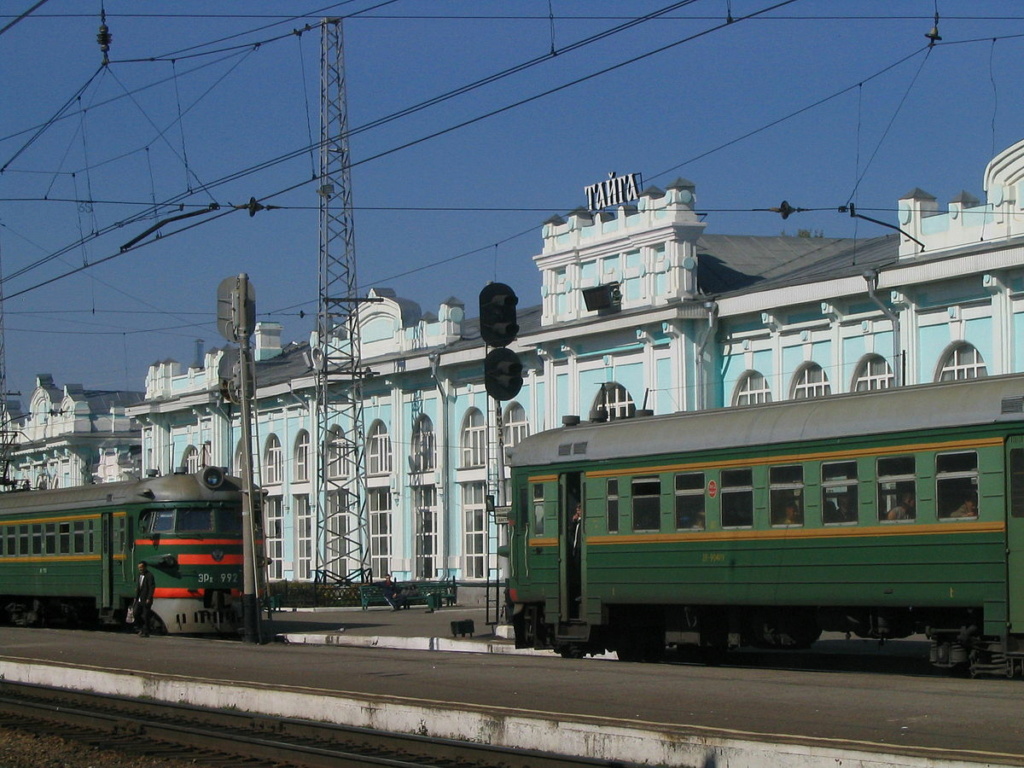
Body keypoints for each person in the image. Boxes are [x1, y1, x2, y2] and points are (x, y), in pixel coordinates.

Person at [134, 561, 155, 637]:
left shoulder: (149, 576)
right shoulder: (139, 575)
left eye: (141, 567)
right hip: (139, 599)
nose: (140, 569)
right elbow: (138, 586)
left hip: (146, 599)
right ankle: (141, 628)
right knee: (135, 613)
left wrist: (149, 598)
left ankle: (146, 632)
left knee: (145, 616)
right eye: (139, 567)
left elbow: (151, 588)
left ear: (145, 567)